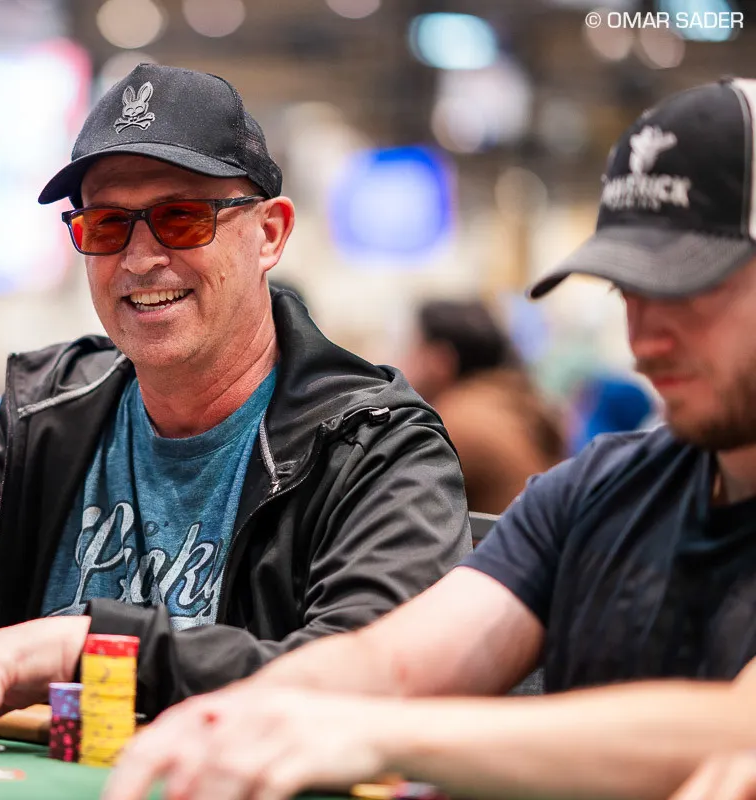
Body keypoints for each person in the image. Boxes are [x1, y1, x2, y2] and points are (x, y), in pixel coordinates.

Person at [0, 63, 470, 752]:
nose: (138, 258)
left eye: (181, 219)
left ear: (271, 234)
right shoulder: (46, 407)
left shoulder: (376, 443)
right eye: (106, 226)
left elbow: (374, 673)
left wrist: (95, 648)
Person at [104, 77, 756, 800]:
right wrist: (230, 715)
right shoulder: (593, 495)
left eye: (690, 288)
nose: (644, 338)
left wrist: (376, 734)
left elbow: (741, 725)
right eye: (627, 290)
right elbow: (388, 666)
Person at [400, 299, 565, 513]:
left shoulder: (458, 420)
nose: (402, 360)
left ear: (439, 361)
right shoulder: (505, 399)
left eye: (414, 347)